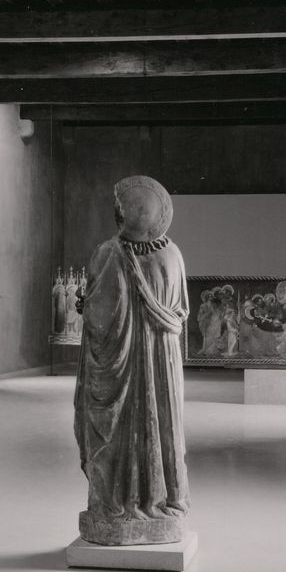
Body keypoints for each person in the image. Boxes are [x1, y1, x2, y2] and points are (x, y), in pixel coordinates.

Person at [73, 175, 190, 546]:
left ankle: (119, 504)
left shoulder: (109, 253)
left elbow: (100, 317)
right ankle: (164, 498)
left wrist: (84, 304)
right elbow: (178, 311)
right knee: (162, 426)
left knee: (122, 429)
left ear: (123, 213)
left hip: (125, 371)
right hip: (164, 366)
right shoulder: (173, 254)